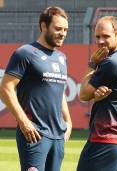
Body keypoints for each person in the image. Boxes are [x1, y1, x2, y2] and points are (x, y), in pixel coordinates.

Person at [0, 6, 72, 171]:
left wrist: (68, 121)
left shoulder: (62, 58)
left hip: (58, 136)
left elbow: (59, 91)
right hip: (35, 134)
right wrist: (23, 121)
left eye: (66, 29)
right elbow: (5, 88)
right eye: (58, 28)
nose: (63, 33)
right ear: (44, 26)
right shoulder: (25, 53)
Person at [76, 16, 117, 171]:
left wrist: (92, 64)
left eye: (106, 36)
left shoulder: (111, 62)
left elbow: (83, 94)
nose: (100, 41)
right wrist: (97, 95)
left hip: (105, 140)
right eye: (97, 36)